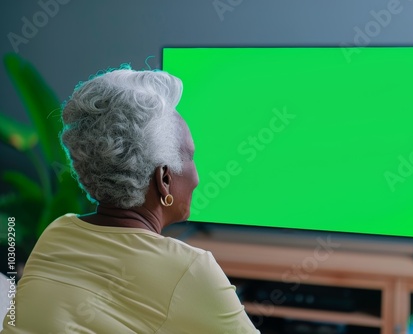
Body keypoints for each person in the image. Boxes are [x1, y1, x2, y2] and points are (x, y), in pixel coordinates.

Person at [1, 66, 259, 333]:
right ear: (164, 180)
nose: (198, 178)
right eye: (191, 157)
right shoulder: (190, 269)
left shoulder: (57, 233)